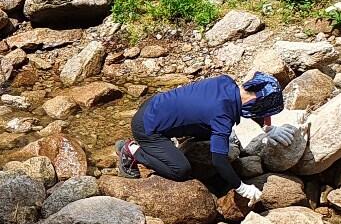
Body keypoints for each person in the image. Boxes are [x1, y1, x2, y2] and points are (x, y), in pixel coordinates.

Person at [115, 72, 297, 202]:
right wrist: (242, 187)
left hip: (154, 105)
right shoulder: (221, 115)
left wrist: (268, 128)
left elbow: (255, 104)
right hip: (146, 128)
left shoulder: (226, 82)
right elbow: (219, 161)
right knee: (181, 170)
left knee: (217, 135)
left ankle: (175, 140)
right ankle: (132, 150)